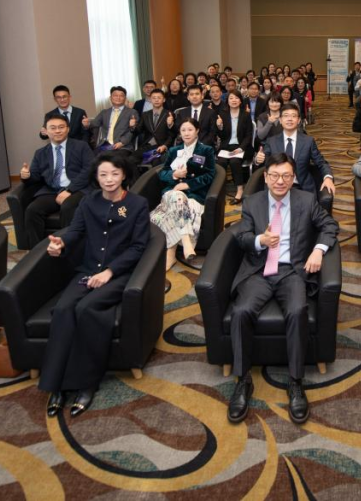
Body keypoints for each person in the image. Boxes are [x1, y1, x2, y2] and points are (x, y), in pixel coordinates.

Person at [227, 153, 339, 425]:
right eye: (275, 175)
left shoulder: (306, 200)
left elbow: (330, 225)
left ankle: (296, 381)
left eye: (286, 176)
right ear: (265, 177)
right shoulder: (252, 202)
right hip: (259, 270)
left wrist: (318, 250)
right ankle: (243, 380)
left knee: (298, 310)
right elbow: (242, 237)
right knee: (241, 311)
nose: (280, 181)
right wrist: (260, 240)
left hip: (291, 270)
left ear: (293, 178)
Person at [40, 152, 149, 417]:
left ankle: (86, 383)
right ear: (96, 177)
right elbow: (75, 232)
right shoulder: (88, 202)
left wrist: (111, 271)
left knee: (87, 309)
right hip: (88, 271)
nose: (109, 179)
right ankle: (56, 385)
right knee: (63, 309)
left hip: (119, 274)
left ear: (124, 175)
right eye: (103, 174)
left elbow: (138, 247)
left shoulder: (136, 204)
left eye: (114, 173)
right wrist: (61, 244)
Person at [150, 118, 217, 282]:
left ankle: (171, 252)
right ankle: (186, 240)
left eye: (190, 129)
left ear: (197, 131)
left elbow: (210, 175)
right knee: (178, 198)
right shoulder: (174, 150)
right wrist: (174, 175)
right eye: (183, 130)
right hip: (173, 192)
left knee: (185, 205)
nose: (186, 133)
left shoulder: (206, 150)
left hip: (194, 193)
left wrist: (187, 185)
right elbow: (162, 173)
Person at [19, 113, 94, 248]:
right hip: (52, 190)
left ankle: (68, 248)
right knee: (32, 210)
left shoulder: (81, 146)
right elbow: (35, 176)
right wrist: (26, 176)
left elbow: (89, 170)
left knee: (68, 206)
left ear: (68, 129)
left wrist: (69, 190)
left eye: (61, 127)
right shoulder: (40, 153)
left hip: (77, 188)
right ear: (45, 131)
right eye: (53, 128)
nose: (57, 131)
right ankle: (37, 253)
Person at [255, 104, 336, 206]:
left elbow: (321, 162)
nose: (290, 119)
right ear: (280, 120)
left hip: (301, 187)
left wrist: (328, 178)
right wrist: (258, 159)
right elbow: (264, 162)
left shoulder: (308, 141)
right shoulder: (271, 141)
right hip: (277, 186)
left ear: (298, 120)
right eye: (286, 116)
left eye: (293, 116)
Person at [216, 89, 254, 204]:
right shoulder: (223, 114)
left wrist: (241, 148)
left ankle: (239, 190)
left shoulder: (245, 115)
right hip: (226, 146)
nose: (234, 100)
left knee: (234, 162)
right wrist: (220, 127)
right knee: (221, 162)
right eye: (231, 98)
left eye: (236, 98)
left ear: (240, 101)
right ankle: (220, 190)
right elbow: (222, 136)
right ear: (227, 101)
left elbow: (248, 135)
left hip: (242, 146)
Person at [87, 86, 139, 151]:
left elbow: (133, 131)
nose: (118, 98)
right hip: (104, 145)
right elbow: (94, 124)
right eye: (115, 95)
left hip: (123, 147)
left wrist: (122, 142)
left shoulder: (132, 112)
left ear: (125, 98)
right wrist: (87, 124)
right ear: (110, 98)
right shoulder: (104, 112)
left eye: (121, 96)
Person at [170, 84, 217, 149]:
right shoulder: (182, 112)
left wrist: (201, 145)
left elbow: (212, 133)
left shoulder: (211, 112)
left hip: (204, 147)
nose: (194, 96)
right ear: (188, 97)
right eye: (191, 94)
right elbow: (178, 130)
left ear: (202, 96)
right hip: (185, 146)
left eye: (197, 94)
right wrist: (170, 124)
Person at [136, 88, 171, 165]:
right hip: (147, 145)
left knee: (156, 163)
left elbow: (172, 134)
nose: (156, 100)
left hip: (161, 146)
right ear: (150, 100)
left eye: (159, 98)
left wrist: (165, 145)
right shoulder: (145, 114)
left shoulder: (169, 114)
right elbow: (138, 130)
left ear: (164, 100)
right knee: (131, 159)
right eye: (154, 98)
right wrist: (132, 126)